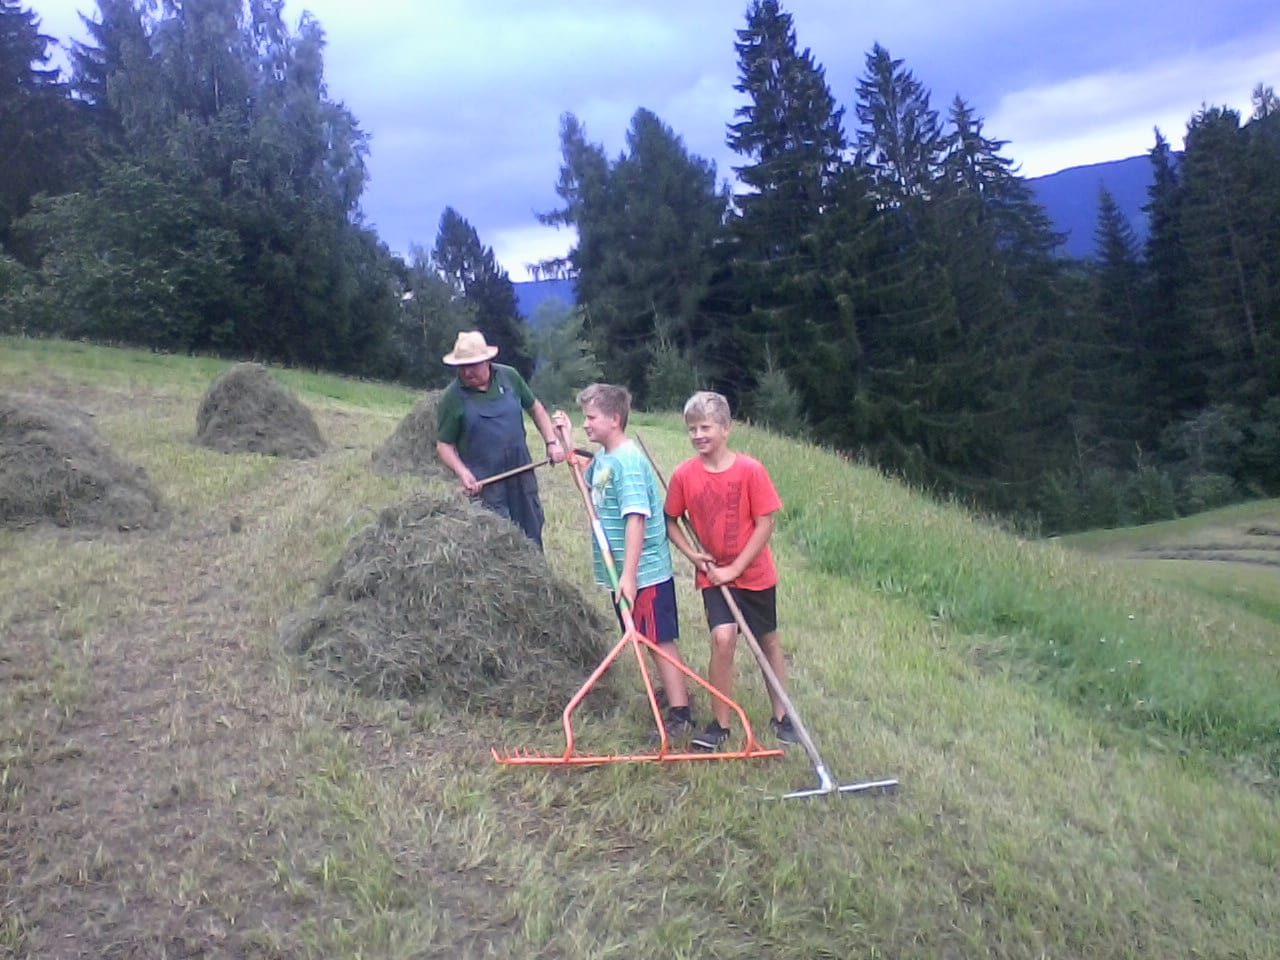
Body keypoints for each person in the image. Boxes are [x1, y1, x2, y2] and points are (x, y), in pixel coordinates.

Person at [552, 384, 695, 738]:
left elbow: (636, 519)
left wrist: (629, 575)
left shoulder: (628, 462)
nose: (586, 424)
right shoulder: (605, 458)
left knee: (658, 639)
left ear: (614, 419)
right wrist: (568, 443)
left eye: (591, 418)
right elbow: (586, 487)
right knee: (643, 636)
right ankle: (672, 691)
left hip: (644, 573)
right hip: (623, 572)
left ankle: (681, 714)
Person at [663, 390, 800, 751]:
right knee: (723, 638)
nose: (698, 435)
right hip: (714, 576)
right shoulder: (684, 475)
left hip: (755, 574)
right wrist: (693, 556)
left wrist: (736, 568)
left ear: (726, 428)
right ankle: (720, 724)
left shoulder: (750, 470)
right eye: (692, 429)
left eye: (705, 427)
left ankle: (782, 716)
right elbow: (671, 520)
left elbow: (765, 523)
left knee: (766, 640)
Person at [436, 330, 565, 548]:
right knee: (497, 542)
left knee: (531, 529)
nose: (466, 372)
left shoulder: (509, 377)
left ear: (487, 361)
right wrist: (463, 473)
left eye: (472, 365)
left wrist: (552, 442)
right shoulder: (452, 398)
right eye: (462, 366)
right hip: (486, 483)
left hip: (521, 471)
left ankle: (535, 569)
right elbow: (444, 445)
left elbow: (535, 408)